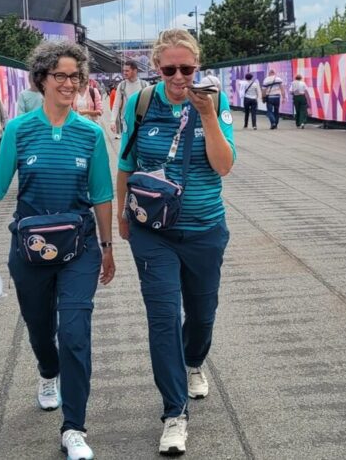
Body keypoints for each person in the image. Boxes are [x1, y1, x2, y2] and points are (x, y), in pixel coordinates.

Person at [0, 41, 115, 460]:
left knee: (75, 333)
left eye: (76, 77)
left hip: (79, 246)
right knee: (38, 326)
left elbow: (101, 194)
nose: (70, 84)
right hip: (29, 249)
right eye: (61, 76)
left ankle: (75, 428)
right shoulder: (19, 129)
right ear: (42, 80)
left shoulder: (90, 134)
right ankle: (48, 373)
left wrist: (107, 246)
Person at [116, 29, 235, 456]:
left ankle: (194, 361)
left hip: (204, 229)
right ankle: (173, 413)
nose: (180, 77)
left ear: (198, 66)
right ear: (157, 68)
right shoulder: (141, 103)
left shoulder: (216, 102)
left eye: (188, 68)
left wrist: (205, 115)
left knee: (202, 314)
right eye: (170, 69)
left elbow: (224, 167)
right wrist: (120, 215)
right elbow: (127, 161)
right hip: (153, 231)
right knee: (163, 317)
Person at [111, 60, 149, 139]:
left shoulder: (144, 85)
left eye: (127, 71)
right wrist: (112, 121)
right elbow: (116, 104)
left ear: (135, 71)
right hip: (126, 122)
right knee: (126, 147)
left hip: (142, 122)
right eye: (123, 71)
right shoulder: (122, 86)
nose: (124, 73)